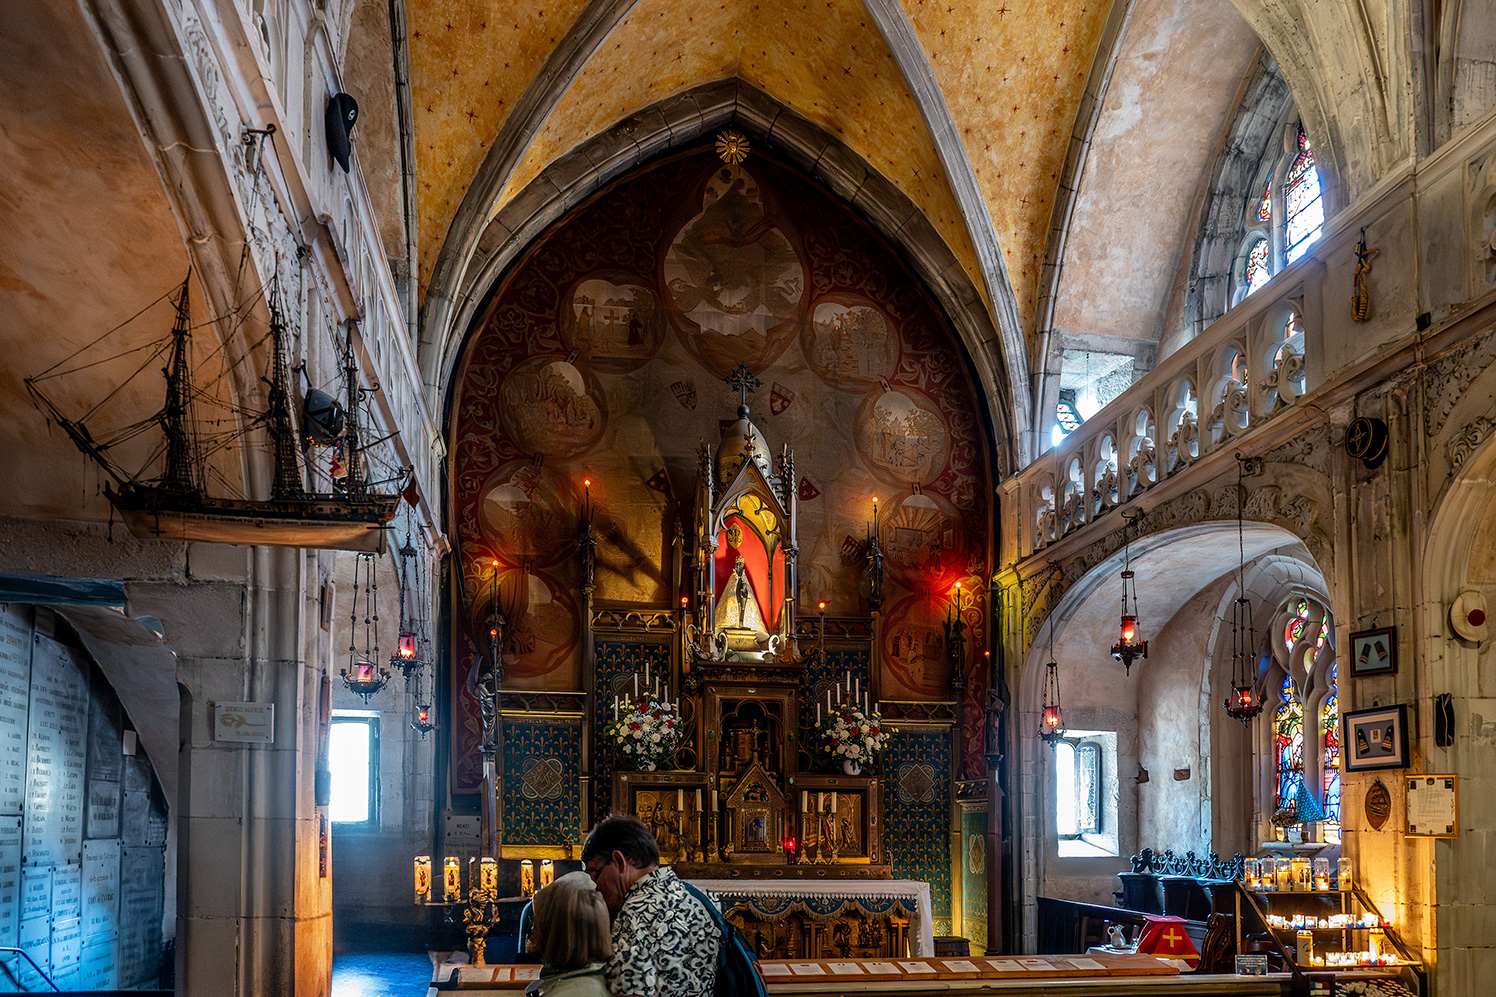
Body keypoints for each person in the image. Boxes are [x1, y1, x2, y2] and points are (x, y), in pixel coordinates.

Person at [582, 814, 719, 997]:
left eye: (593, 871)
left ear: (619, 862)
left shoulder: (633, 916)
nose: (595, 885)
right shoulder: (695, 899)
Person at [523, 871, 613, 997]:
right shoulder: (608, 980)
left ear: (555, 931)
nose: (533, 929)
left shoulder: (565, 992)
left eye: (539, 922)